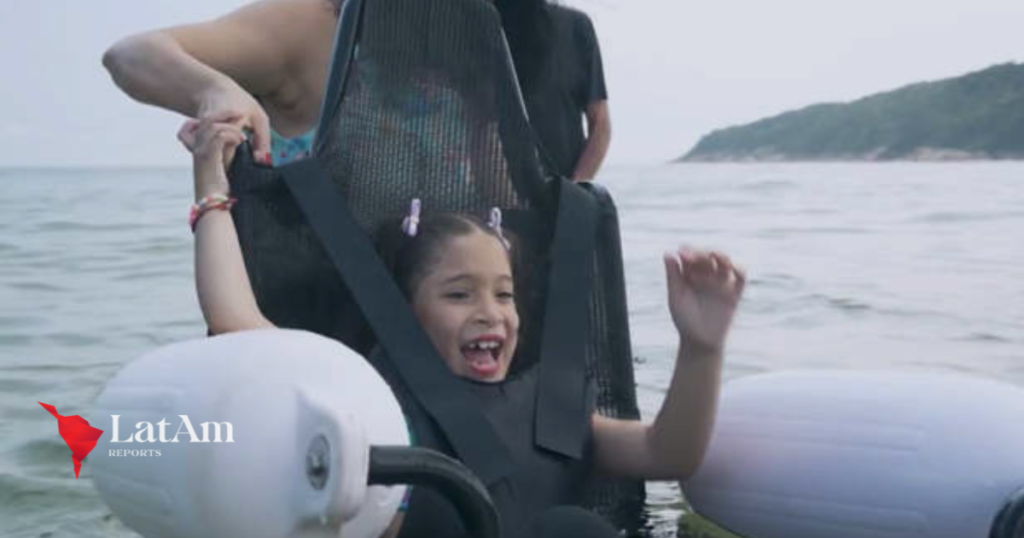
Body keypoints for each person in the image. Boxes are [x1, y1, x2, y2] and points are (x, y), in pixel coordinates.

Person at [181, 116, 746, 537]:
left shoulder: (550, 411)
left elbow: (667, 454)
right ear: (404, 313)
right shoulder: (365, 404)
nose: (490, 311)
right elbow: (239, 325)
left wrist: (701, 345)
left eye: (505, 293)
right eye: (459, 293)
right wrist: (211, 189)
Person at [102, 0, 593, 172]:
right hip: (319, 339)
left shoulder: (474, 44)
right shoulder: (313, 26)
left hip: (451, 353)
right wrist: (213, 90)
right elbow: (132, 55)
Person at [521, 3, 611, 181]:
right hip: (497, 197)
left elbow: (600, 125)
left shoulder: (575, 27)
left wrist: (572, 191)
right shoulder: (484, 28)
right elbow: (479, 124)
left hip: (561, 191)